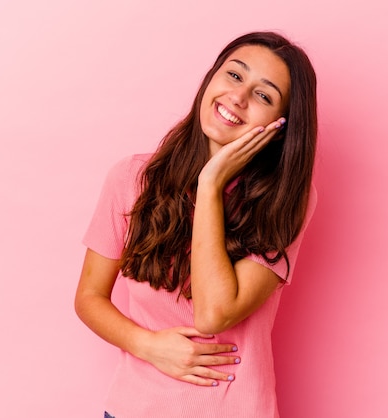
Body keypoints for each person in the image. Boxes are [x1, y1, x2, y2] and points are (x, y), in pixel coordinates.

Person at [75, 31, 317, 418]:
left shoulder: (286, 199)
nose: (238, 98)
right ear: (211, 78)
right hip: (135, 408)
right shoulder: (132, 177)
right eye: (235, 75)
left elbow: (213, 314)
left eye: (264, 95)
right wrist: (147, 345)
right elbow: (89, 296)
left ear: (281, 126)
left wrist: (210, 185)